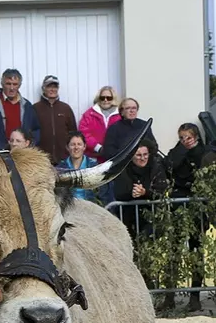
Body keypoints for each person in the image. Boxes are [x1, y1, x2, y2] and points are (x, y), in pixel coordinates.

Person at [113, 139, 167, 291]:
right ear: (132, 156)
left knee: (148, 252)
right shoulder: (124, 169)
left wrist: (145, 193)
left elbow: (161, 191)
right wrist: (133, 192)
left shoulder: (155, 167)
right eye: (138, 155)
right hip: (129, 219)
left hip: (151, 219)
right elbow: (119, 193)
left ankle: (151, 284)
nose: (142, 158)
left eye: (145, 155)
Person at [165, 123, 206, 310]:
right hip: (178, 203)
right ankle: (169, 296)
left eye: (188, 137)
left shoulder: (202, 153)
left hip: (197, 206)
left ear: (195, 137)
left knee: (196, 251)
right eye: (181, 138)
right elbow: (169, 165)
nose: (185, 141)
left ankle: (195, 296)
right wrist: (181, 150)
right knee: (174, 250)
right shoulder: (177, 151)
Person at [0, 68, 40, 152]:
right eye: (8, 84)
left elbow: (36, 130)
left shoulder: (27, 106)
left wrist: (28, 147)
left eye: (15, 84)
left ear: (19, 85)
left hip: (22, 155)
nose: (12, 88)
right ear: (2, 84)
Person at [33, 75, 77, 164]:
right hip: (42, 159)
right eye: (49, 86)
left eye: (55, 86)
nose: (52, 89)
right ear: (43, 88)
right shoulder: (35, 108)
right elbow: (31, 133)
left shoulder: (66, 108)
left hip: (64, 158)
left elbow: (73, 132)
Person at [78, 86, 121, 162]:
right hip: (93, 158)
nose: (105, 100)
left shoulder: (120, 115)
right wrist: (98, 147)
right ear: (98, 98)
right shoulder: (88, 114)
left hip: (115, 156)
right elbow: (83, 134)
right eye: (102, 97)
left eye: (109, 98)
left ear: (113, 98)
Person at [59, 131, 98, 201]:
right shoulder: (60, 168)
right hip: (68, 208)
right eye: (73, 144)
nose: (76, 147)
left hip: (90, 207)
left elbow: (103, 193)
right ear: (67, 147)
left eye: (79, 144)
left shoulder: (94, 166)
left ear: (84, 147)